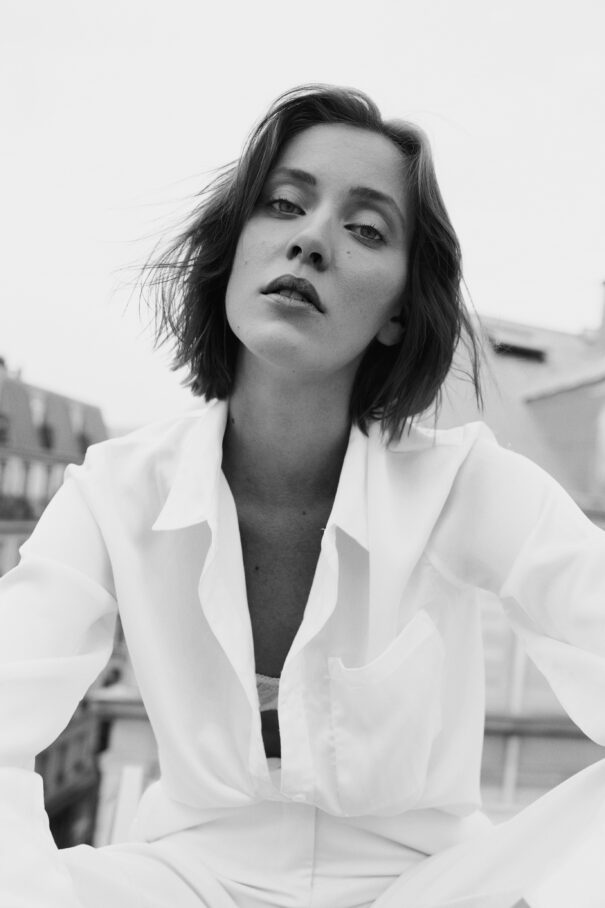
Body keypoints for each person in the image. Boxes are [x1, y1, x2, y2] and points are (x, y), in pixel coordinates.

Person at [1, 84, 604, 908]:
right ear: (234, 251)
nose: (311, 241)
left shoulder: (467, 482)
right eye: (282, 205)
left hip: (432, 886)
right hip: (185, 882)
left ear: (397, 310)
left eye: (364, 228)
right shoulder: (114, 492)